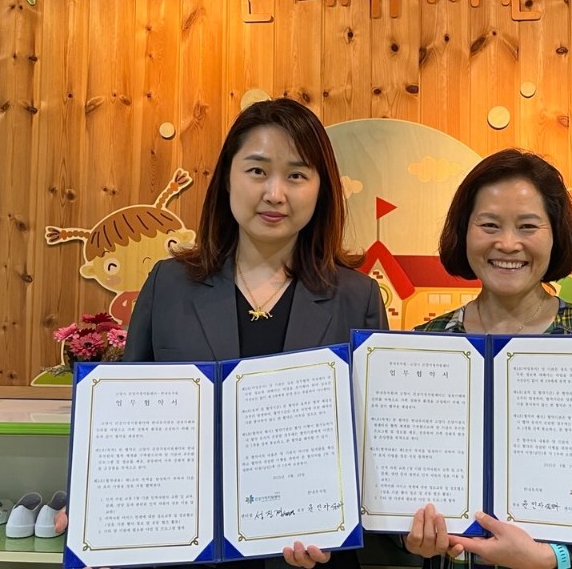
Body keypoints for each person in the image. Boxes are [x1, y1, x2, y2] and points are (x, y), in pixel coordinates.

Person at [62, 98, 389, 569]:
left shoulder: (356, 296)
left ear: (322, 189)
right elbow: (126, 419)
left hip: (312, 555)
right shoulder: (169, 284)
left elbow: (368, 443)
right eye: (257, 171)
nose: (275, 193)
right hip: (186, 553)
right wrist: (95, 502)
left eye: (297, 175)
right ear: (228, 180)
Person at [403, 149, 572, 569]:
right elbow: (402, 481)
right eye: (489, 225)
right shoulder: (428, 343)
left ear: (555, 234)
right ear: (464, 232)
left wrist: (551, 559)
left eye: (528, 226)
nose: (508, 244)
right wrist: (410, 534)